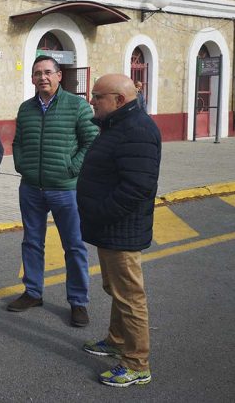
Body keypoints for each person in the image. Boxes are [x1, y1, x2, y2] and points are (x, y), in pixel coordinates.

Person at [77, 74, 161, 387]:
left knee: (130, 297)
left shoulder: (137, 130)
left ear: (119, 100)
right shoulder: (117, 125)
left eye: (97, 96)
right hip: (109, 227)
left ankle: (137, 364)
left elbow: (137, 187)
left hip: (120, 228)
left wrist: (100, 213)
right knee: (115, 290)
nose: (92, 101)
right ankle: (116, 340)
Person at [8, 55, 98, 327]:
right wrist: (22, 164)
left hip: (66, 189)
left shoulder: (77, 106)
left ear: (59, 76)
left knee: (73, 246)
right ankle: (33, 292)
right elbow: (18, 141)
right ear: (32, 78)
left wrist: (72, 169)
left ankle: (78, 301)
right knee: (32, 242)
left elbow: (91, 142)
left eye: (48, 72)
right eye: (37, 73)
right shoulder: (26, 109)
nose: (42, 77)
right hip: (31, 187)